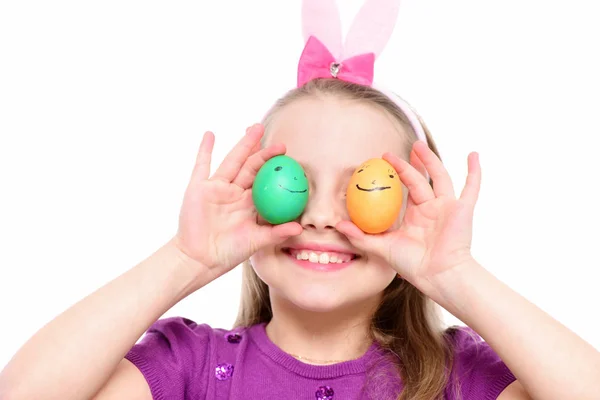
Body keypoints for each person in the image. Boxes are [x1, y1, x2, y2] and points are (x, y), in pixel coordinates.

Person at [1, 1, 599, 400]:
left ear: (412, 211)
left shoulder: (454, 378)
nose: (319, 216)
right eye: (294, 182)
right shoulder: (191, 367)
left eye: (364, 187)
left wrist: (454, 273)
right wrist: (185, 260)